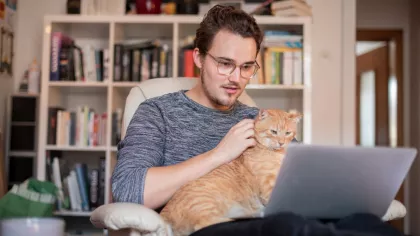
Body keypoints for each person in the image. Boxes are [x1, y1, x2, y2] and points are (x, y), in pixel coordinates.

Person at [111, 5, 403, 236]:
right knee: (289, 227)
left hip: (269, 217)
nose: (236, 78)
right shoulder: (156, 112)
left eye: (247, 67)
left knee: (366, 223)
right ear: (199, 58)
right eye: (225, 64)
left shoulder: (260, 119)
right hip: (210, 222)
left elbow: (300, 181)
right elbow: (128, 191)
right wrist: (219, 155)